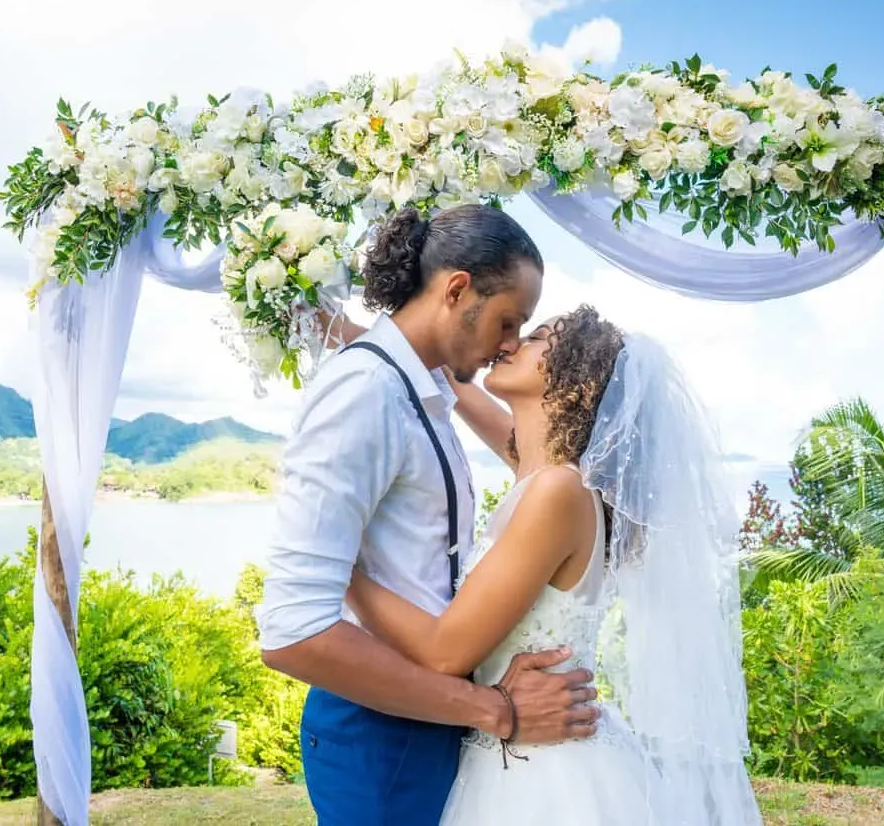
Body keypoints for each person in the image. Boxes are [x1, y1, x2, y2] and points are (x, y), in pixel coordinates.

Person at [346, 306, 763, 824]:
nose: (512, 341)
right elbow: (456, 389)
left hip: (542, 777)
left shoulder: (557, 492)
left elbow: (443, 651)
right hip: (520, 753)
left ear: (576, 385)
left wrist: (340, 568)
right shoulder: (545, 476)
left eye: (539, 337)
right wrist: (357, 334)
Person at [255, 205, 600, 826]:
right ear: (457, 289)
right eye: (507, 321)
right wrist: (494, 710)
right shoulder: (367, 392)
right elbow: (292, 631)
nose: (510, 343)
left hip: (438, 721)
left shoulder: (422, 392)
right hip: (384, 730)